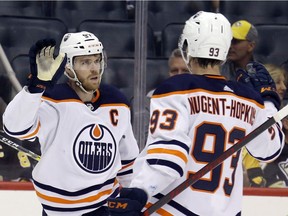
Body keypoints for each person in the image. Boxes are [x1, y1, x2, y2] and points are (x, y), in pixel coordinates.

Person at [107, 11, 284, 216]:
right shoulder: (247, 98)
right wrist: (269, 102)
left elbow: (168, 157)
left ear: (188, 46)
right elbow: (270, 148)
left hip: (173, 210)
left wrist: (138, 193)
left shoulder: (177, 88)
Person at [2, 31, 139, 216]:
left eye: (97, 60)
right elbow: (15, 128)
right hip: (58, 211)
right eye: (85, 62)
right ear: (68, 68)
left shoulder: (117, 102)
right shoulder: (53, 100)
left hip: (104, 208)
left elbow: (128, 160)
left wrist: (132, 198)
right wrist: (35, 88)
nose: (94, 68)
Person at [220, 20, 266, 187]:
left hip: (255, 137)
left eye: (236, 41)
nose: (231, 46)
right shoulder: (218, 70)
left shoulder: (263, 74)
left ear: (251, 46)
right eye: (229, 41)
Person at [262, 64, 288, 187]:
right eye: (278, 82)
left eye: (283, 82)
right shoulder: (253, 112)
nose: (283, 87)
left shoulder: (282, 112)